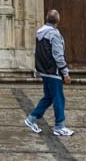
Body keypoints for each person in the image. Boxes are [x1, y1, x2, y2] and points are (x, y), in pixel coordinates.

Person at [24, 8, 74, 138]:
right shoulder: (54, 34)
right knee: (58, 98)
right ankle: (59, 126)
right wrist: (66, 73)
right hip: (53, 71)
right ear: (58, 20)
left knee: (48, 97)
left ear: (47, 18)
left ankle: (31, 119)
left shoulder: (39, 32)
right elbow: (58, 55)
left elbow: (38, 52)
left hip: (44, 71)